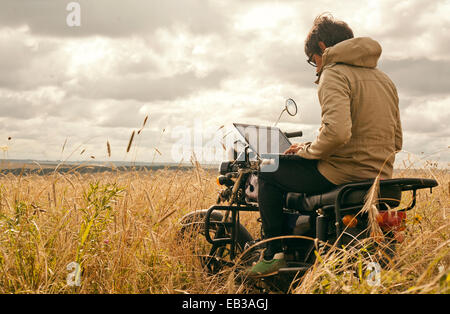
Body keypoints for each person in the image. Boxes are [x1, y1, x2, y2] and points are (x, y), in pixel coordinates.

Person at [246, 13, 402, 277]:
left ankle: (274, 254)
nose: (315, 66)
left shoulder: (334, 73)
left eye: (312, 60)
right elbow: (397, 138)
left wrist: (307, 152)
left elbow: (339, 132)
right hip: (380, 174)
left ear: (321, 49)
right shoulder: (384, 79)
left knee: (268, 168)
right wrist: (311, 145)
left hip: (344, 172)